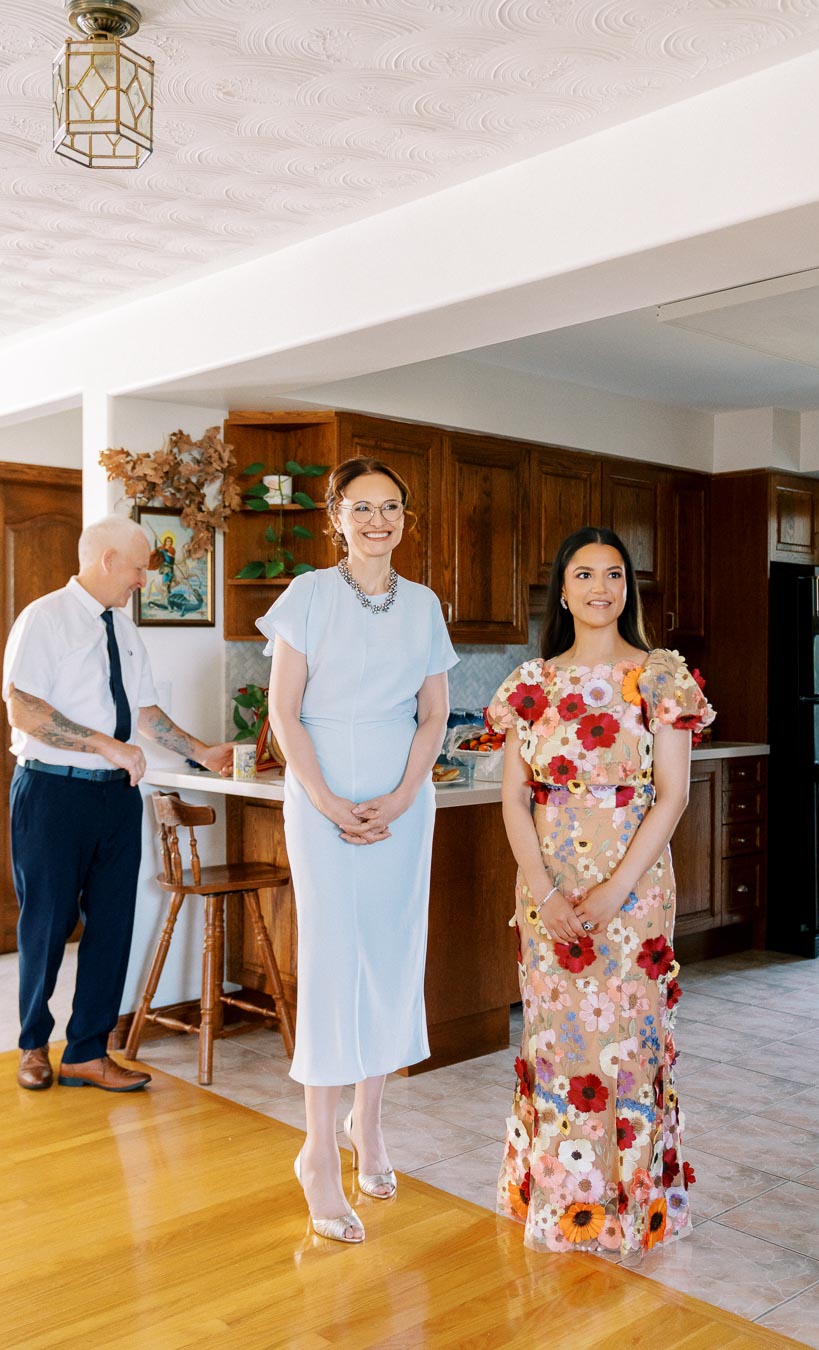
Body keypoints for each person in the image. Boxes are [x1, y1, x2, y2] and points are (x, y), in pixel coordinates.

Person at [487, 526, 714, 1260]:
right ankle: (559, 1202)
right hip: (545, 888)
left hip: (635, 889)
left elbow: (672, 797)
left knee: (629, 1040)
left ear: (628, 589)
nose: (599, 588)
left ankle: (633, 1209)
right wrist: (545, 892)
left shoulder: (661, 677)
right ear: (562, 590)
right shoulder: (531, 684)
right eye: (583, 575)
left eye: (613, 575)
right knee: (557, 1041)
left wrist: (617, 888)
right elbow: (515, 801)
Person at [259, 456, 457, 1245]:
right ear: (336, 515)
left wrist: (406, 794)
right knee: (337, 963)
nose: (378, 521)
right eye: (362, 507)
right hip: (323, 797)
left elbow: (435, 713)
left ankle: (368, 1129)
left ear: (406, 519)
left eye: (392, 509)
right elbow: (284, 713)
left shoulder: (424, 604)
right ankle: (316, 1149)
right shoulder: (307, 596)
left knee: (394, 958)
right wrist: (328, 799)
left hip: (404, 803)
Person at [3, 514, 234, 1094]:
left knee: (113, 925)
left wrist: (202, 752)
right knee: (48, 923)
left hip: (116, 797)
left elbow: (146, 712)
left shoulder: (125, 630)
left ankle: (87, 1051)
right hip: (52, 791)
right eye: (138, 568)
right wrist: (107, 744)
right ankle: (33, 1044)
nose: (142, 580)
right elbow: (23, 709)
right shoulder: (44, 619)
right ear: (107, 560)